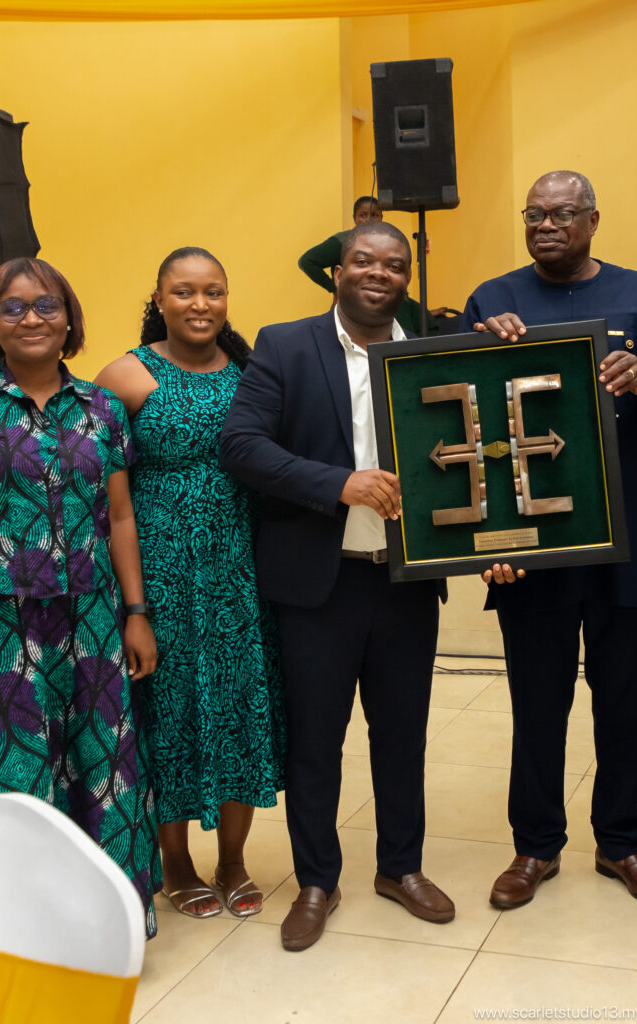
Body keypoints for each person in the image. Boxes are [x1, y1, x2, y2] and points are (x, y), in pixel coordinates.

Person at [462, 170, 637, 910]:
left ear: (594, 219)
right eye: (534, 213)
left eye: (562, 213)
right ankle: (534, 847)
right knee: (537, 703)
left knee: (625, 702)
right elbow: (457, 415)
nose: (546, 224)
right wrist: (479, 351)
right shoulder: (493, 300)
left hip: (628, 537)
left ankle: (622, 844)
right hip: (532, 545)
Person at [0, 257, 162, 936]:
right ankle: (15, 930)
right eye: (13, 308)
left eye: (45, 305)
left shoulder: (102, 409)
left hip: (94, 627)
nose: (30, 319)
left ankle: (100, 925)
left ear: (69, 319)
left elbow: (119, 518)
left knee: (99, 770)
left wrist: (137, 614)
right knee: (13, 777)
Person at [220, 221, 453, 951]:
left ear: (405, 278)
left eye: (394, 264)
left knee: (402, 737)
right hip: (317, 585)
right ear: (338, 272)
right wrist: (340, 484)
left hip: (406, 583)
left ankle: (400, 868)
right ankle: (317, 880)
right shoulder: (287, 344)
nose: (378, 273)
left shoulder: (427, 352)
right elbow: (242, 445)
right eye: (364, 261)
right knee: (315, 744)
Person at [94, 247, 285, 921]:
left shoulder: (252, 371)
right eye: (184, 292)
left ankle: (233, 861)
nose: (199, 305)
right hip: (161, 579)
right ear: (160, 299)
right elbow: (79, 468)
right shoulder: (129, 374)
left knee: (241, 713)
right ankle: (174, 863)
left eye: (212, 292)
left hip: (239, 575)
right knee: (167, 719)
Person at [298, 195, 436, 335]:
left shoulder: (391, 240)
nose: (369, 220)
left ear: (381, 217)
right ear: (354, 218)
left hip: (395, 307)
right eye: (363, 215)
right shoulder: (345, 240)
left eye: (374, 215)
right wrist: (333, 288)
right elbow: (307, 261)